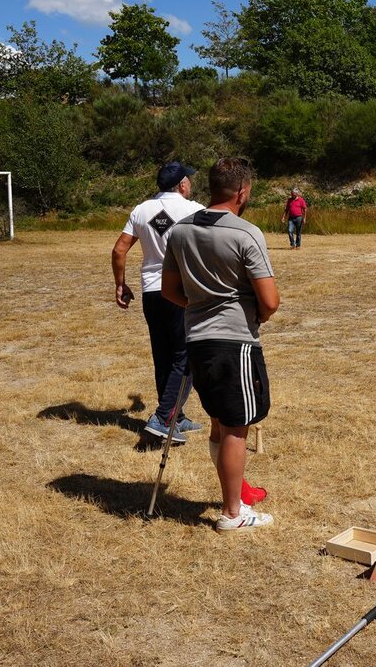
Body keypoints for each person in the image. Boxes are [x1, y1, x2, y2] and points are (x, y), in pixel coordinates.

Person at [162, 157, 279, 531]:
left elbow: (169, 290)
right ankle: (233, 513)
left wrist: (199, 306)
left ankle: (233, 497)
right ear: (243, 191)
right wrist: (253, 314)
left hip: (197, 340)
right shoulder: (246, 233)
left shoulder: (179, 232)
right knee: (236, 426)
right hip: (235, 342)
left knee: (219, 423)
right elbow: (271, 300)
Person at [112, 161, 206, 442]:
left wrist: (120, 283)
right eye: (188, 179)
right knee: (186, 356)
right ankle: (164, 418)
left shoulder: (141, 210)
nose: (190, 183)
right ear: (182, 185)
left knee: (163, 355)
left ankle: (176, 416)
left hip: (151, 291)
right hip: (181, 291)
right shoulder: (194, 210)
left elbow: (119, 250)